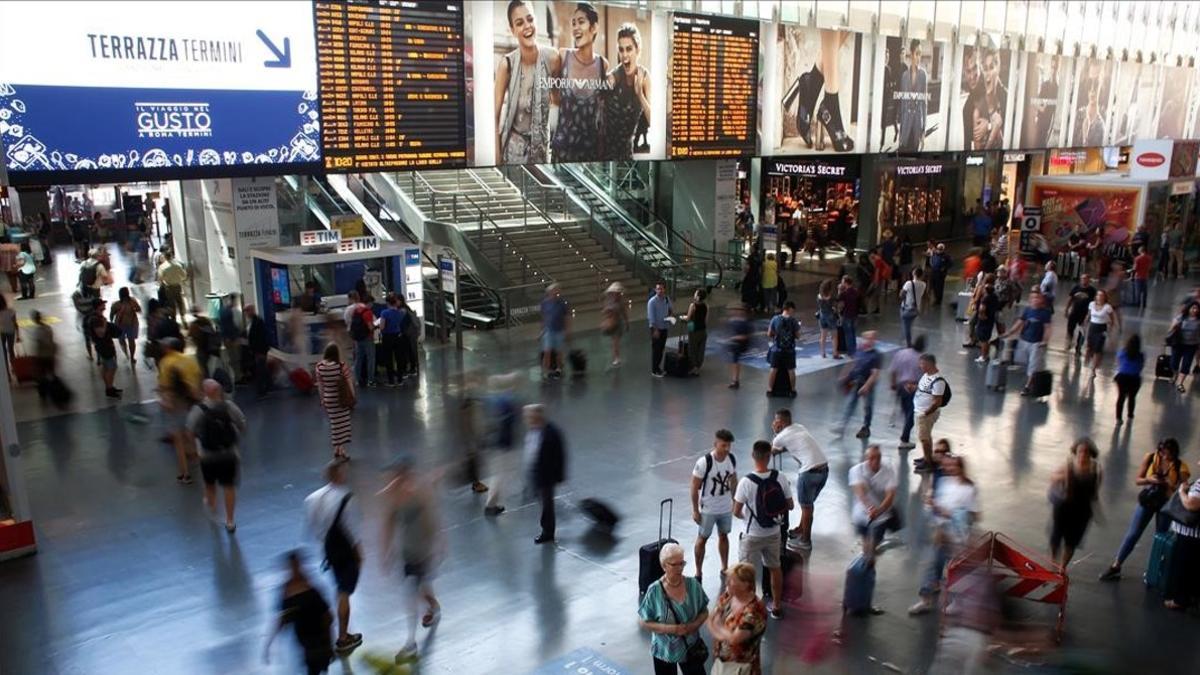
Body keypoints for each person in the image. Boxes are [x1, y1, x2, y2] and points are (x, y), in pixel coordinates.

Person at [378, 454, 443, 660]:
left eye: (396, 473)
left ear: (404, 473)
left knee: (412, 592)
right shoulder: (395, 496)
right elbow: (389, 524)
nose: (392, 478)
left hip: (420, 551)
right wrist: (386, 553)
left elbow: (432, 520)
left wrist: (437, 544)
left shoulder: (418, 492)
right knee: (420, 587)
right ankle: (434, 608)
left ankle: (411, 642)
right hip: (408, 552)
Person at [1099, 438, 1189, 582]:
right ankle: (1116, 565)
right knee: (1133, 533)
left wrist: (1168, 485)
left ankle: (1154, 572)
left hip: (1165, 504)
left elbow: (1181, 492)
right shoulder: (1151, 457)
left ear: (1174, 453)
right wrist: (1150, 480)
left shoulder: (1181, 468)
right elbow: (1138, 480)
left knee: (1160, 538)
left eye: (1168, 454)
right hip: (1148, 499)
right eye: (1162, 453)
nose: (1165, 456)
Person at [304, 457, 365, 655]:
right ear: (339, 474)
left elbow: (312, 530)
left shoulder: (312, 499)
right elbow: (353, 529)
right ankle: (343, 637)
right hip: (346, 551)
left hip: (329, 552)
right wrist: (359, 555)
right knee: (344, 593)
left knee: (339, 589)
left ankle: (338, 631)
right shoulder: (346, 497)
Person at [908, 454, 979, 615]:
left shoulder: (969, 489)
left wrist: (949, 513)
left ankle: (957, 602)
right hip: (941, 535)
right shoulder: (945, 482)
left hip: (957, 538)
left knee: (955, 571)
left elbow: (974, 515)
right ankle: (925, 601)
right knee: (930, 567)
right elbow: (938, 507)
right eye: (947, 466)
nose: (948, 469)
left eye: (953, 466)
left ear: (960, 468)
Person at [733, 441, 794, 619]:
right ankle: (776, 606)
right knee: (775, 569)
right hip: (774, 533)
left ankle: (748, 607)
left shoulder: (745, 482)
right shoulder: (780, 477)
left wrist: (750, 517)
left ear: (753, 456)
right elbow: (790, 505)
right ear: (769, 456)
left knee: (745, 572)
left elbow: (736, 511)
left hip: (751, 534)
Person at [494, 0, 559, 164]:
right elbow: (494, 119)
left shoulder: (553, 58)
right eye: (520, 23)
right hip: (513, 157)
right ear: (512, 30)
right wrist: (497, 162)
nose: (527, 26)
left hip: (542, 156)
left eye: (530, 19)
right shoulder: (506, 65)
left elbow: (559, 102)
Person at [637, 542, 710, 675]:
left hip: (691, 647)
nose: (679, 568)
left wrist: (694, 625)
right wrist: (672, 629)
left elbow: (704, 611)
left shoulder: (693, 585)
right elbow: (644, 621)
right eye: (674, 564)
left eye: (682, 563)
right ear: (664, 565)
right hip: (664, 650)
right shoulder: (654, 591)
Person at [549, 2, 607, 162]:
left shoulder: (603, 64)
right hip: (563, 152)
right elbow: (555, 99)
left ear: (594, 27)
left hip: (590, 154)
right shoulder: (562, 57)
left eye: (581, 22)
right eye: (573, 23)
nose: (575, 28)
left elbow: (601, 111)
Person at [188, 379, 246, 533]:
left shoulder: (198, 410)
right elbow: (241, 423)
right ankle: (230, 520)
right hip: (228, 454)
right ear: (219, 391)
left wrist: (194, 449)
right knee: (228, 486)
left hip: (207, 455)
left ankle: (212, 510)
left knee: (210, 485)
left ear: (205, 392)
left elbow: (190, 430)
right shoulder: (229, 406)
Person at [263, 551, 334, 675]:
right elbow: (283, 618)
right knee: (316, 666)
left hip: (317, 637)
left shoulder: (307, 588)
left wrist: (329, 639)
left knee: (316, 666)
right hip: (309, 640)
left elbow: (327, 616)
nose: (295, 569)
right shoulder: (296, 589)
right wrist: (270, 643)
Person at [771, 409, 826, 548]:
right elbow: (793, 445)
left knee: (807, 508)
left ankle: (805, 541)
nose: (773, 423)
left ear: (780, 422)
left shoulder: (781, 436)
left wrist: (776, 432)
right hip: (824, 470)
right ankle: (801, 528)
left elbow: (773, 450)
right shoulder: (799, 427)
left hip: (808, 472)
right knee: (808, 505)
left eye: (775, 421)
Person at [690, 429, 737, 584]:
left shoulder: (731, 459)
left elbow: (734, 480)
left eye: (729, 445)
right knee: (702, 538)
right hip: (708, 509)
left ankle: (724, 567)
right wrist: (696, 510)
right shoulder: (704, 463)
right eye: (724, 445)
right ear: (715, 444)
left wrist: (735, 501)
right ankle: (698, 571)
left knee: (724, 536)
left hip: (725, 508)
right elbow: (694, 486)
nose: (727, 449)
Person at [706, 562, 768, 674]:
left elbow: (734, 639)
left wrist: (717, 628)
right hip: (722, 661)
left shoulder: (753, 611)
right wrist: (723, 633)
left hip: (740, 666)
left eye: (731, 580)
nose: (727, 583)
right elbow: (713, 616)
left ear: (745, 584)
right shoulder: (729, 595)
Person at [1048, 438, 1102, 568]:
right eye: (1080, 452)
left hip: (1082, 511)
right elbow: (1052, 478)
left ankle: (1062, 567)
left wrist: (1096, 511)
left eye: (1086, 452)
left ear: (1090, 454)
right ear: (1076, 453)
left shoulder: (1096, 469)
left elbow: (1095, 492)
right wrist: (1065, 477)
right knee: (1056, 537)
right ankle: (1052, 562)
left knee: (1071, 542)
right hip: (1064, 508)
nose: (1083, 455)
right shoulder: (1069, 466)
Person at [157, 337, 202, 484]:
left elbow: (164, 386)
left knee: (178, 439)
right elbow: (199, 377)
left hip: (177, 403)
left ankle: (185, 474)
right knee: (191, 432)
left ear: (169, 348)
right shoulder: (190, 360)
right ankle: (196, 457)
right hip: (193, 401)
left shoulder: (166, 363)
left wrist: (165, 400)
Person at [604, 22, 652, 160]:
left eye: (629, 49)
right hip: (605, 153)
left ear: (638, 50)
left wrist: (640, 95)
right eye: (621, 49)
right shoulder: (614, 76)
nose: (624, 55)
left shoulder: (645, 77)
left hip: (627, 152)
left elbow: (653, 122)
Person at [849, 444, 901, 564]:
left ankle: (869, 559)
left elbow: (890, 495)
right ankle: (867, 560)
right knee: (866, 542)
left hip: (882, 516)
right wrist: (870, 508)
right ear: (865, 459)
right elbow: (860, 491)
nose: (875, 461)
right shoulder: (856, 470)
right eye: (872, 458)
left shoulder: (888, 470)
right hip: (861, 515)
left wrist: (878, 511)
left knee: (873, 545)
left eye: (878, 457)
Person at [526, 404, 566, 544]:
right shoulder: (535, 430)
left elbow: (560, 455)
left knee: (546, 505)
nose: (528, 419)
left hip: (546, 475)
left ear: (538, 416)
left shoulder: (551, 432)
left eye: (530, 416)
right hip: (538, 473)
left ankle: (548, 532)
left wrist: (559, 475)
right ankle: (547, 529)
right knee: (543, 501)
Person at [483, 373, 521, 516]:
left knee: (498, 473)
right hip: (503, 443)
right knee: (500, 474)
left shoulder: (490, 400)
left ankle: (491, 504)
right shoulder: (506, 401)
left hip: (494, 443)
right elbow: (510, 421)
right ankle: (490, 505)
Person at [1163, 466, 1200, 610]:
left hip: (1190, 534)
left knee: (1183, 567)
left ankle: (1180, 600)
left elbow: (1192, 505)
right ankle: (1193, 596)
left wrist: (1182, 492)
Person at [1004, 291, 1052, 397]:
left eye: (1037, 298)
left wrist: (1045, 341)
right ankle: (1031, 380)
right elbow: (1020, 322)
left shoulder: (1045, 313)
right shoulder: (1028, 310)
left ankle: (1027, 386)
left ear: (1041, 300)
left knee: (1033, 365)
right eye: (1033, 298)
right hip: (1025, 340)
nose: (1035, 300)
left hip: (1036, 343)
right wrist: (1009, 333)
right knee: (1023, 361)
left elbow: (1047, 328)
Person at [837, 330, 882, 440]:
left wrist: (866, 386)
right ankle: (842, 425)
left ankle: (866, 426)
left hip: (868, 385)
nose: (868, 340)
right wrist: (845, 375)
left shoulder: (876, 356)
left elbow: (875, 374)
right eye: (867, 338)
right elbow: (853, 363)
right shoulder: (860, 350)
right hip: (857, 382)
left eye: (871, 338)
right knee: (851, 403)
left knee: (868, 406)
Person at [315, 343, 354, 461]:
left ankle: (337, 448)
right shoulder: (341, 366)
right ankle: (341, 449)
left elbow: (320, 386)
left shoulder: (319, 367)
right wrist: (352, 396)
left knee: (335, 424)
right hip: (341, 398)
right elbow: (349, 382)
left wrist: (322, 399)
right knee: (343, 424)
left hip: (329, 398)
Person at [913, 353, 948, 473]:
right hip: (920, 411)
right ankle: (926, 457)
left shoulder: (938, 381)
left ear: (929, 364)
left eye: (922, 363)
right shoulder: (926, 375)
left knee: (924, 439)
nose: (920, 366)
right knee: (926, 437)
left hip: (925, 414)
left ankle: (928, 464)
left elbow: (937, 402)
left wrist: (926, 413)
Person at [891, 334, 925, 451]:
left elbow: (893, 370)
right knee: (911, 414)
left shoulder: (901, 353)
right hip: (913, 388)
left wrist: (893, 383)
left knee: (906, 411)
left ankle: (905, 432)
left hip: (901, 386)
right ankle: (904, 439)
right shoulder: (921, 359)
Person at [343, 291, 376, 388]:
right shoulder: (367, 311)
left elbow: (347, 321)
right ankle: (370, 380)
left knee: (358, 358)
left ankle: (356, 380)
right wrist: (376, 327)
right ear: (369, 303)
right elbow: (371, 326)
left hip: (356, 336)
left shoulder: (355, 310)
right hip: (367, 337)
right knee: (370, 358)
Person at [766, 301, 800, 396]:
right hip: (789, 350)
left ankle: (770, 390)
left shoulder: (775, 319)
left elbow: (769, 334)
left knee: (773, 369)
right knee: (791, 370)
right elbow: (798, 336)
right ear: (790, 309)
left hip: (777, 349)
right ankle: (792, 390)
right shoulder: (793, 321)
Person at [1084, 289, 1121, 374]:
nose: (1099, 297)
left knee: (1098, 348)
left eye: (1101, 296)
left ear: (1104, 297)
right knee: (1089, 347)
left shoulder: (1107, 307)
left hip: (1101, 329)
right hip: (1092, 327)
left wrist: (1110, 329)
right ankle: (1088, 361)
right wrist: (1085, 322)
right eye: (1098, 295)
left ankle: (1094, 368)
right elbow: (1089, 315)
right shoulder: (1092, 304)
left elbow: (1112, 319)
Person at [539, 283, 570, 379]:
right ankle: (546, 370)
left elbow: (566, 318)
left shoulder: (562, 303)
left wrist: (567, 330)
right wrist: (542, 331)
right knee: (547, 351)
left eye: (557, 291)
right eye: (554, 291)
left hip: (559, 330)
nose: (556, 293)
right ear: (549, 293)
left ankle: (559, 368)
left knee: (559, 351)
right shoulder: (545, 303)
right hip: (549, 331)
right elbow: (544, 317)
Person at [1168, 302, 1200, 392]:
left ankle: (1180, 383)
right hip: (1178, 344)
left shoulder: (1199, 320)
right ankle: (1175, 375)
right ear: (1189, 308)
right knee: (1174, 363)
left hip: (1191, 346)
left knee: (1186, 364)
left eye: (1197, 308)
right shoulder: (1181, 317)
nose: (1195, 310)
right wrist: (1174, 327)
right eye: (1193, 308)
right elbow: (1171, 329)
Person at [89, 311, 122, 399]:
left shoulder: (94, 322)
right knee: (111, 368)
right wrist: (104, 323)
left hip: (104, 348)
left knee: (107, 367)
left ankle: (110, 386)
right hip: (105, 349)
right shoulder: (96, 323)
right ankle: (109, 388)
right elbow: (101, 333)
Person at [1113, 334, 1145, 424]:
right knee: (1132, 397)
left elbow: (1119, 363)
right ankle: (1130, 416)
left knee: (1121, 397)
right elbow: (1141, 366)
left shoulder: (1122, 352)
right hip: (1134, 378)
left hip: (1122, 377)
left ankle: (1118, 418)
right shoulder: (1140, 355)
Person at [1063, 274, 1097, 355]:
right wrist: (1066, 309)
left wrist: (1089, 314)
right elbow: (1070, 298)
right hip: (1074, 311)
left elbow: (1094, 303)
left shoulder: (1092, 290)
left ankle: (1078, 347)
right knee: (1070, 328)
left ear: (1089, 280)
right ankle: (1069, 342)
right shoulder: (1076, 288)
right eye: (1082, 279)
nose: (1083, 280)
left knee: (1081, 331)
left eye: (1085, 279)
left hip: (1084, 313)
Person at [378, 294, 408, 386]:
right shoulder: (401, 313)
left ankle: (391, 381)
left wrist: (378, 326)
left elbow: (382, 326)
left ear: (387, 303)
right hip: (398, 336)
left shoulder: (384, 313)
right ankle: (400, 379)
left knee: (389, 359)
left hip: (387, 337)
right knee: (399, 358)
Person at [647, 282, 673, 378]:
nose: (659, 291)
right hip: (656, 328)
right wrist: (655, 330)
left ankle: (658, 368)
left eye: (661, 289)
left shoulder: (666, 299)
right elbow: (651, 317)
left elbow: (670, 308)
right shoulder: (652, 302)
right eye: (658, 289)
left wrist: (670, 316)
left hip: (664, 327)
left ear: (664, 289)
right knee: (656, 349)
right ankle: (654, 369)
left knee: (661, 348)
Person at [109, 287, 140, 367]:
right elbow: (112, 314)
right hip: (126, 324)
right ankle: (129, 355)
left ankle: (130, 355)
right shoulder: (118, 304)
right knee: (127, 341)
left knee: (129, 341)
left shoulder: (130, 302)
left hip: (127, 324)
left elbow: (139, 309)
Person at [600, 282, 628, 368]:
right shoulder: (608, 301)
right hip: (611, 322)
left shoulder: (621, 302)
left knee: (615, 342)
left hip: (618, 324)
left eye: (618, 293)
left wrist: (627, 322)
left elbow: (624, 313)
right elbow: (604, 311)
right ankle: (616, 357)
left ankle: (616, 357)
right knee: (614, 341)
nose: (616, 294)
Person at [156, 249, 187, 322]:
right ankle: (183, 317)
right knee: (180, 302)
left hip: (168, 288)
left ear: (165, 257)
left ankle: (173, 319)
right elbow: (184, 276)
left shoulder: (162, 267)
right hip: (177, 286)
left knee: (171, 303)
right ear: (171, 256)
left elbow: (160, 279)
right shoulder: (178, 265)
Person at [726, 303, 752, 389]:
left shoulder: (745, 323)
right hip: (736, 344)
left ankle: (735, 380)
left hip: (739, 345)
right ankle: (735, 379)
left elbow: (745, 336)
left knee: (735, 362)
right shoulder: (737, 321)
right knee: (735, 362)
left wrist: (733, 338)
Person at [899, 267, 926, 348]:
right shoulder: (923, 284)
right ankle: (906, 341)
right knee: (909, 325)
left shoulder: (908, 283)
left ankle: (908, 343)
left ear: (914, 273)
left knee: (906, 326)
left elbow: (901, 294)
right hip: (916, 309)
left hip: (907, 308)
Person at [683, 289, 708, 374]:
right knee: (701, 349)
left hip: (693, 329)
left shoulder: (692, 306)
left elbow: (688, 318)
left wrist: (683, 318)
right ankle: (698, 366)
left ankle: (694, 366)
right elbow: (705, 320)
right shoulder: (706, 306)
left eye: (695, 293)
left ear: (698, 296)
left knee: (692, 348)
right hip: (703, 330)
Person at [972, 282, 999, 363]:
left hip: (984, 321)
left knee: (983, 339)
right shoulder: (994, 297)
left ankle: (983, 356)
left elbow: (982, 309)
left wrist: (981, 316)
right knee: (986, 338)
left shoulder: (985, 298)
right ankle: (986, 355)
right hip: (990, 319)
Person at [836, 275, 861, 357]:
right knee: (853, 332)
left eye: (842, 282)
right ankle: (854, 349)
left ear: (846, 283)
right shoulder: (856, 291)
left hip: (846, 315)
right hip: (854, 315)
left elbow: (839, 303)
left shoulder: (844, 293)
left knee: (848, 334)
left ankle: (851, 351)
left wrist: (839, 290)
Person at [816, 279, 837, 358]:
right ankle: (835, 352)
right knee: (834, 335)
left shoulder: (819, 296)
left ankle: (823, 353)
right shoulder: (830, 297)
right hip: (830, 315)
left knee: (823, 335)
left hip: (822, 315)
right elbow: (834, 305)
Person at [0, 294, 16, 368]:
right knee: (11, 350)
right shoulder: (11, 310)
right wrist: (18, 335)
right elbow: (15, 323)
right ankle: (14, 366)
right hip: (11, 331)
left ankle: (6, 368)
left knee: (3, 352)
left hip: (2, 332)